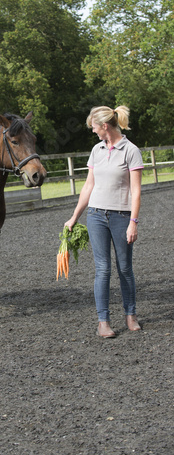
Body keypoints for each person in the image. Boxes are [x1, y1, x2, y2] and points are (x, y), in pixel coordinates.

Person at [64, 106, 144, 338]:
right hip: (96, 216)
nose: (93, 132)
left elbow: (136, 191)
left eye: (94, 127)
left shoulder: (131, 151)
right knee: (102, 269)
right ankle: (103, 321)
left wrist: (133, 222)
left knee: (125, 268)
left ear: (105, 126)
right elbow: (89, 186)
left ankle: (131, 314)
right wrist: (75, 216)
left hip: (121, 217)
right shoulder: (96, 150)